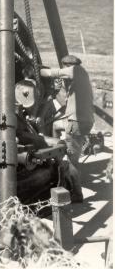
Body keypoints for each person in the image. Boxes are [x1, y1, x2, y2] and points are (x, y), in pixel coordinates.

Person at [40, 54, 94, 202]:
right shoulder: (81, 77)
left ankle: (77, 194)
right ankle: (57, 156)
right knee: (56, 126)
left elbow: (51, 73)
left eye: (64, 68)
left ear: (67, 66)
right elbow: (68, 100)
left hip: (76, 123)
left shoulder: (75, 70)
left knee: (72, 162)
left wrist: (35, 70)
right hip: (83, 120)